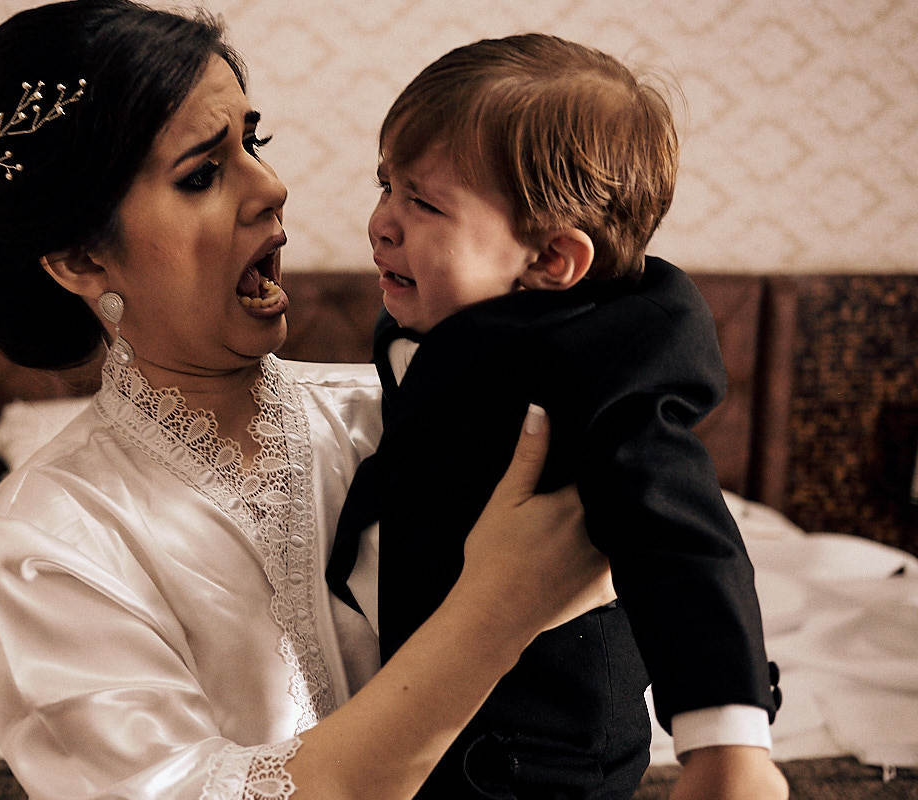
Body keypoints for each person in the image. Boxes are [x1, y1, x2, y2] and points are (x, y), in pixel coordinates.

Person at [0, 4, 614, 799]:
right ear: (83, 258)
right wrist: (496, 612)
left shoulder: (401, 415)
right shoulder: (48, 538)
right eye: (201, 173)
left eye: (253, 144)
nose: (272, 187)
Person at [325, 34, 786, 799]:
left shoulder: (603, 367)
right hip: (418, 708)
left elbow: (683, 540)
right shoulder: (433, 322)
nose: (381, 222)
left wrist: (726, 744)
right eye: (386, 187)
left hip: (538, 751)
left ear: (551, 262)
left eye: (425, 203)